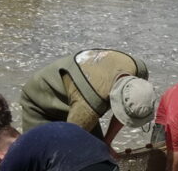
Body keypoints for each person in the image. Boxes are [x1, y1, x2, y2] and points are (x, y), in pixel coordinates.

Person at [19, 49, 155, 150]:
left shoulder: (139, 72)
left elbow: (125, 112)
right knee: (39, 158)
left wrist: (106, 143)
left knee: (98, 152)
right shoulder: (89, 106)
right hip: (40, 99)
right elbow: (68, 148)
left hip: (78, 95)